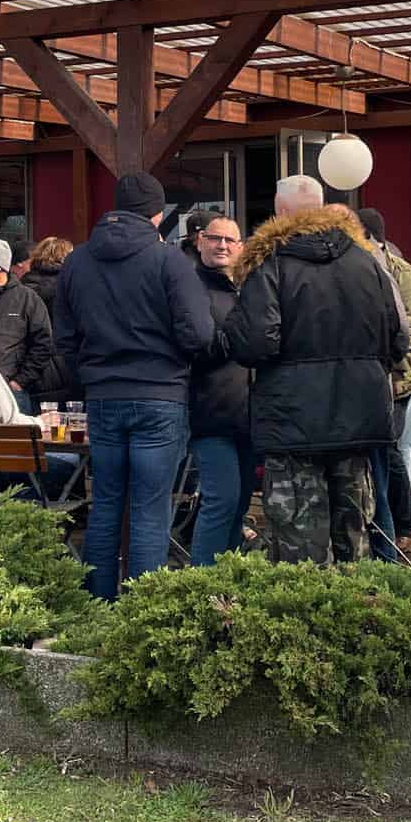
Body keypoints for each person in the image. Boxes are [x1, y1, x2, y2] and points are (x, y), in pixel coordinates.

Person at [222, 176, 405, 567]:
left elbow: (256, 343)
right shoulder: (366, 261)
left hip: (292, 421)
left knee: (298, 550)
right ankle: (358, 620)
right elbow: (399, 338)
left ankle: (307, 626)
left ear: (280, 211)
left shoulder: (269, 264)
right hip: (358, 417)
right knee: (354, 541)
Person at [53, 172, 212, 600]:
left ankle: (96, 608)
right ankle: (141, 615)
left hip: (103, 397)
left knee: (105, 506)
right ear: (157, 214)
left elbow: (63, 340)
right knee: (149, 510)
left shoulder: (78, 261)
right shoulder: (170, 262)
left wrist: (89, 373)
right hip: (160, 395)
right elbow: (198, 333)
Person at [355, 206, 411, 556]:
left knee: (392, 451)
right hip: (373, 382)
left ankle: (407, 525)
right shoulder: (358, 269)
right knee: (386, 452)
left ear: (370, 236)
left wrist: (393, 367)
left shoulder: (405, 274)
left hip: (402, 382)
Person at [186, 214, 251, 565]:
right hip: (209, 414)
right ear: (200, 242)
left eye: (230, 240)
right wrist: (243, 335)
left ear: (241, 248)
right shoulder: (192, 288)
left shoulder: (245, 288)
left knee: (239, 504)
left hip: (247, 416)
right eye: (215, 238)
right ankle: (202, 585)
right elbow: (199, 347)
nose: (222, 245)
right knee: (221, 500)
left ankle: (229, 585)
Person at [0, 236, 54, 412]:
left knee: (15, 439)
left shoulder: (27, 299)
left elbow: (43, 344)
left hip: (11, 391)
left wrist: (20, 381)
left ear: (0, 264)